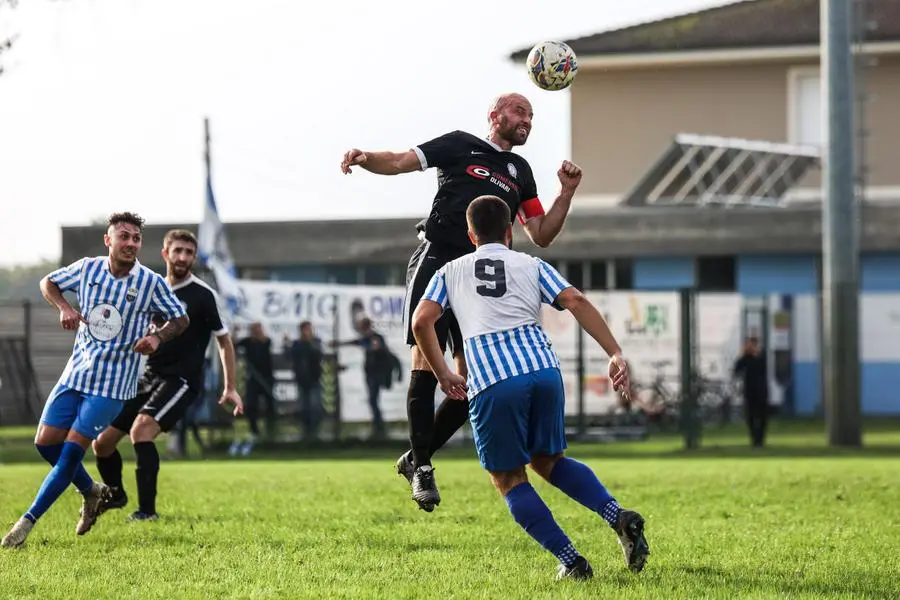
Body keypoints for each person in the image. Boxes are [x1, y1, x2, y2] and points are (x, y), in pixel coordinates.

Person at [341, 92, 583, 511]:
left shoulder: (519, 171)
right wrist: (365, 157)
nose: (527, 119)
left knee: (470, 380)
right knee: (425, 363)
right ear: (495, 115)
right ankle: (422, 469)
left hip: (477, 275)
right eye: (519, 111)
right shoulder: (459, 144)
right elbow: (400, 160)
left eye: (532, 115)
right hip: (437, 260)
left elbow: (540, 233)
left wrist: (566, 193)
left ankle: (417, 456)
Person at [411, 196, 650, 580]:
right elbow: (574, 299)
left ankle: (573, 562)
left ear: (471, 235)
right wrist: (615, 353)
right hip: (543, 371)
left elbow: (423, 321)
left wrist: (442, 373)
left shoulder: (450, 271)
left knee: (508, 478)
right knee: (547, 460)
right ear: (509, 233)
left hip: (493, 379)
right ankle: (617, 516)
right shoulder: (531, 264)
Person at [1, 212, 189, 548]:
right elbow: (49, 282)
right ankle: (92, 492)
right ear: (109, 240)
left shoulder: (149, 283)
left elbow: (180, 318)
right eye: (124, 236)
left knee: (71, 453)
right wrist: (63, 307)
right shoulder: (88, 268)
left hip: (113, 385)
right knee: (45, 444)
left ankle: (24, 525)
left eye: (136, 238)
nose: (131, 243)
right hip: (76, 372)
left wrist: (158, 337)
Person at [91, 229, 244, 521]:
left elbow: (223, 340)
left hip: (182, 380)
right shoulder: (151, 289)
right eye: (178, 251)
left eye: (189, 252)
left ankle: (147, 512)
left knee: (142, 430)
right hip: (149, 377)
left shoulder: (202, 295)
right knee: (103, 443)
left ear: (194, 257)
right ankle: (116, 494)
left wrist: (231, 386)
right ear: (165, 254)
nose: (183, 257)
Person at [332, 317, 395, 440]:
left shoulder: (376, 338)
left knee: (373, 400)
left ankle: (379, 427)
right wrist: (339, 344)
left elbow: (380, 349)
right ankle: (378, 426)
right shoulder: (368, 338)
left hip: (376, 374)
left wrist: (376, 348)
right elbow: (357, 342)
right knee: (373, 400)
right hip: (370, 374)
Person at [284, 320, 325, 440]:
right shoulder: (297, 344)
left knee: (315, 405)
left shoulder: (316, 342)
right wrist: (286, 345)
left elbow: (317, 354)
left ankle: (315, 430)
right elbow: (289, 356)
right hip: (302, 379)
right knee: (304, 406)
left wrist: (309, 342)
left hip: (314, 378)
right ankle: (306, 431)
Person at [733, 335, 769, 448]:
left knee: (762, 416)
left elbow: (763, 367)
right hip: (750, 391)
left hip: (761, 391)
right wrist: (744, 355)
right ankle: (754, 439)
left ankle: (760, 439)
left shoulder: (762, 357)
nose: (752, 347)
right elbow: (737, 370)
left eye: (754, 345)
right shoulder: (745, 358)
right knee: (751, 417)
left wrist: (755, 355)